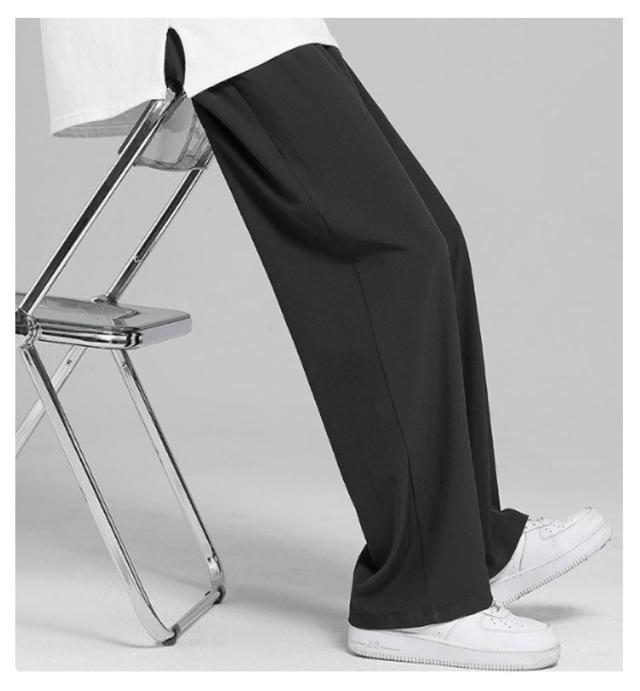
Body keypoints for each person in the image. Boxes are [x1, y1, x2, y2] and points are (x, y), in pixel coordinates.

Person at [38, 19, 611, 670]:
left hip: (257, 22)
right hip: (195, 23)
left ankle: (474, 548)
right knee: (396, 256)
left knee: (438, 242)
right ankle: (420, 597)